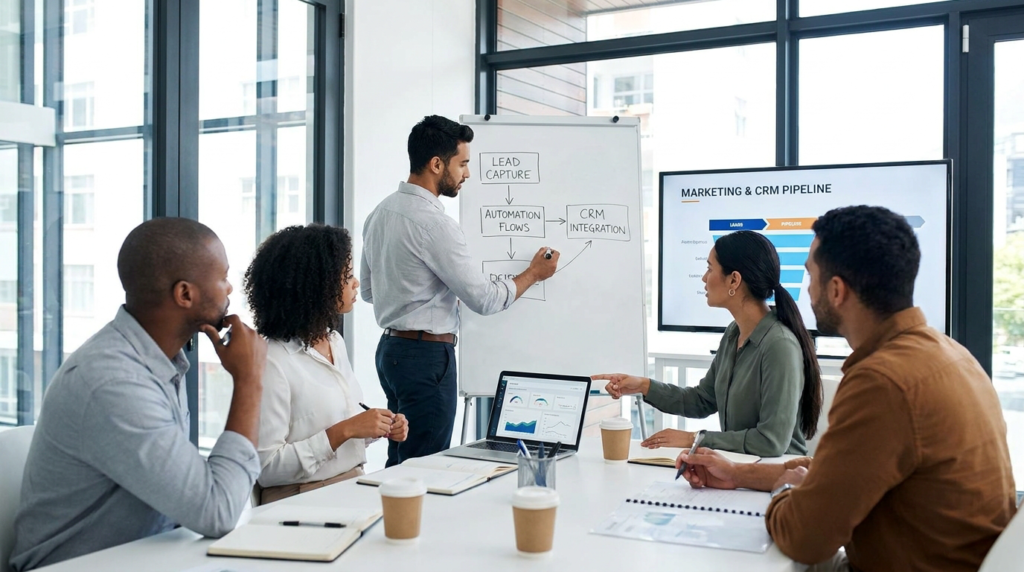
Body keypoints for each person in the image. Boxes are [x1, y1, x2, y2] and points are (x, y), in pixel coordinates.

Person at [677, 206, 1017, 572]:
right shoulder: (950, 354)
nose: (805, 290)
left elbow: (805, 538)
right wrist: (738, 474)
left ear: (836, 290)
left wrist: (784, 493)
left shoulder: (884, 382)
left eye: (810, 276)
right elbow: (829, 472)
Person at [10, 218, 266, 571]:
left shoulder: (161, 362)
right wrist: (249, 380)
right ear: (185, 294)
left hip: (151, 557)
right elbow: (217, 510)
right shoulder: (112, 382)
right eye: (222, 277)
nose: (230, 288)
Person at [361, 115, 559, 466]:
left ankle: (394, 520)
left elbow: (369, 292)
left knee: (401, 460)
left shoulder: (379, 213)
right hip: (426, 359)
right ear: (437, 165)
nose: (467, 174)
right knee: (423, 466)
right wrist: (533, 274)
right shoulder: (435, 225)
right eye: (463, 163)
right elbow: (483, 299)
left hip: (390, 352)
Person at [594, 230, 822, 457]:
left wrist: (694, 439)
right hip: (741, 470)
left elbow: (770, 442)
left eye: (710, 268)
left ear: (734, 279)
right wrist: (643, 386)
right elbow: (702, 400)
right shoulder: (734, 333)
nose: (704, 278)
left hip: (778, 478)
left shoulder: (779, 345)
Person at [245, 224, 408, 504]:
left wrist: (378, 426)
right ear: (315, 285)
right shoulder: (272, 360)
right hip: (301, 502)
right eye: (346, 276)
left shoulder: (334, 341)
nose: (355, 283)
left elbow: (341, 429)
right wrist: (347, 430)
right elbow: (267, 470)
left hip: (352, 487)